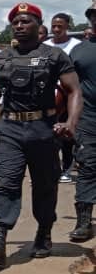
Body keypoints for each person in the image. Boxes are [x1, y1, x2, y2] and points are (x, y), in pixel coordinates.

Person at [0, 3, 80, 266]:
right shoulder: (2, 58)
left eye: (26, 22)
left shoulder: (54, 56)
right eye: (16, 23)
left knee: (45, 186)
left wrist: (70, 122)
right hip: (10, 129)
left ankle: (44, 233)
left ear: (38, 25)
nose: (20, 26)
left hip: (43, 130)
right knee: (8, 182)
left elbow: (74, 91)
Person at [68, 33, 96, 241]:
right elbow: (68, 88)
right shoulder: (79, 51)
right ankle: (84, 222)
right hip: (87, 118)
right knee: (87, 166)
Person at [49, 13, 82, 183]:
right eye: (53, 26)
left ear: (67, 27)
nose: (56, 29)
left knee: (67, 134)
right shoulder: (45, 46)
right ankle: (50, 168)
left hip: (68, 97)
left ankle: (67, 169)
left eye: (59, 26)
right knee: (49, 135)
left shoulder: (76, 46)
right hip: (48, 99)